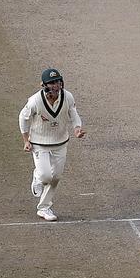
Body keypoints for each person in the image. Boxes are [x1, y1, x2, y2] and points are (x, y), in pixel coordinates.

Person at [19, 68, 85, 222]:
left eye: (57, 81)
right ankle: (37, 177)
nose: (56, 85)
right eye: (52, 83)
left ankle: (44, 208)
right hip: (39, 143)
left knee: (56, 177)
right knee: (45, 175)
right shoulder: (35, 101)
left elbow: (73, 114)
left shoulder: (67, 96)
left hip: (60, 142)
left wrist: (77, 130)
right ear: (45, 85)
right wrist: (26, 140)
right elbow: (23, 118)